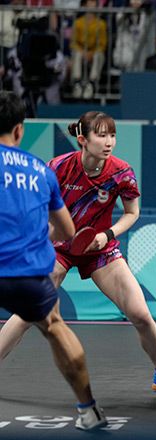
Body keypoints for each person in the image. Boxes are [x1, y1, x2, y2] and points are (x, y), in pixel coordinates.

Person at [0, 111, 156, 394]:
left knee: (141, 314)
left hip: (100, 248)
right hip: (59, 247)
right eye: (101, 135)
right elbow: (39, 209)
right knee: (27, 313)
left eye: (112, 135)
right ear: (82, 139)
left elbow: (132, 212)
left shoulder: (121, 173)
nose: (109, 142)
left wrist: (107, 235)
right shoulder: (58, 168)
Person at [0, 91, 107, 430]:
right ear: (20, 130)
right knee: (55, 327)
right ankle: (88, 410)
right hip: (28, 273)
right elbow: (67, 230)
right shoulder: (41, 171)